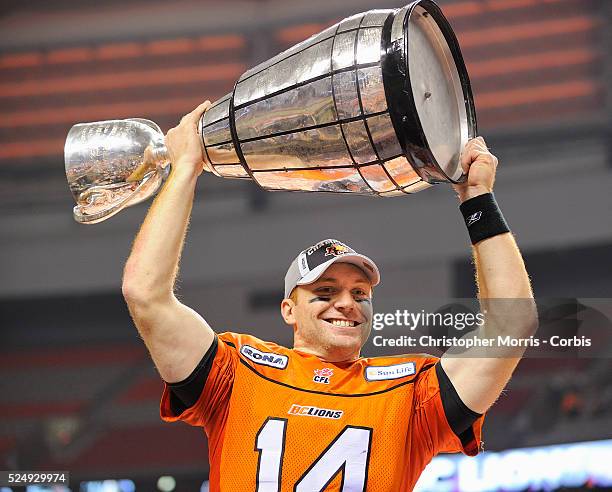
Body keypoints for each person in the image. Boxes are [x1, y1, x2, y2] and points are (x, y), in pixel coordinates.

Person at [122, 102, 537, 491]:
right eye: (325, 291)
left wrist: (477, 198)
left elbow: (513, 324)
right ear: (289, 309)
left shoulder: (411, 396)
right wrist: (185, 171)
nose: (347, 302)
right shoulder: (235, 374)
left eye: (360, 292)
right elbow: (145, 294)